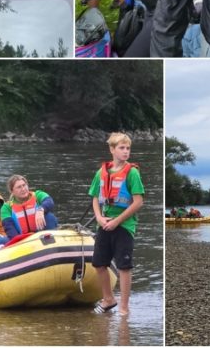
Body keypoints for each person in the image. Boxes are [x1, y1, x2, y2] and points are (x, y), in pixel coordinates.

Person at [89, 132, 146, 317]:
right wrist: (99, 217)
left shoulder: (132, 172)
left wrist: (117, 221)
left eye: (128, 148)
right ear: (112, 149)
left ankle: (124, 306)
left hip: (124, 225)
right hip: (105, 223)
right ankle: (108, 298)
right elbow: (96, 198)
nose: (125, 151)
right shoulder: (102, 172)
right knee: (99, 263)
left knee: (124, 266)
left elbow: (138, 202)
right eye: (121, 148)